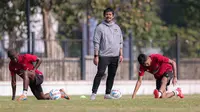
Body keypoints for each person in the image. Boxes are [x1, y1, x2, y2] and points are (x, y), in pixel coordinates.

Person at [90, 7, 123, 100]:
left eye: (110, 14)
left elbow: (120, 42)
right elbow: (96, 42)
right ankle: (94, 93)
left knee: (111, 75)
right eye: (107, 14)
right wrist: (96, 56)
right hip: (104, 55)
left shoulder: (117, 28)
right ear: (104, 15)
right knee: (100, 73)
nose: (108, 16)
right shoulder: (100, 27)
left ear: (113, 16)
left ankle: (107, 94)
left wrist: (121, 54)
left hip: (115, 56)